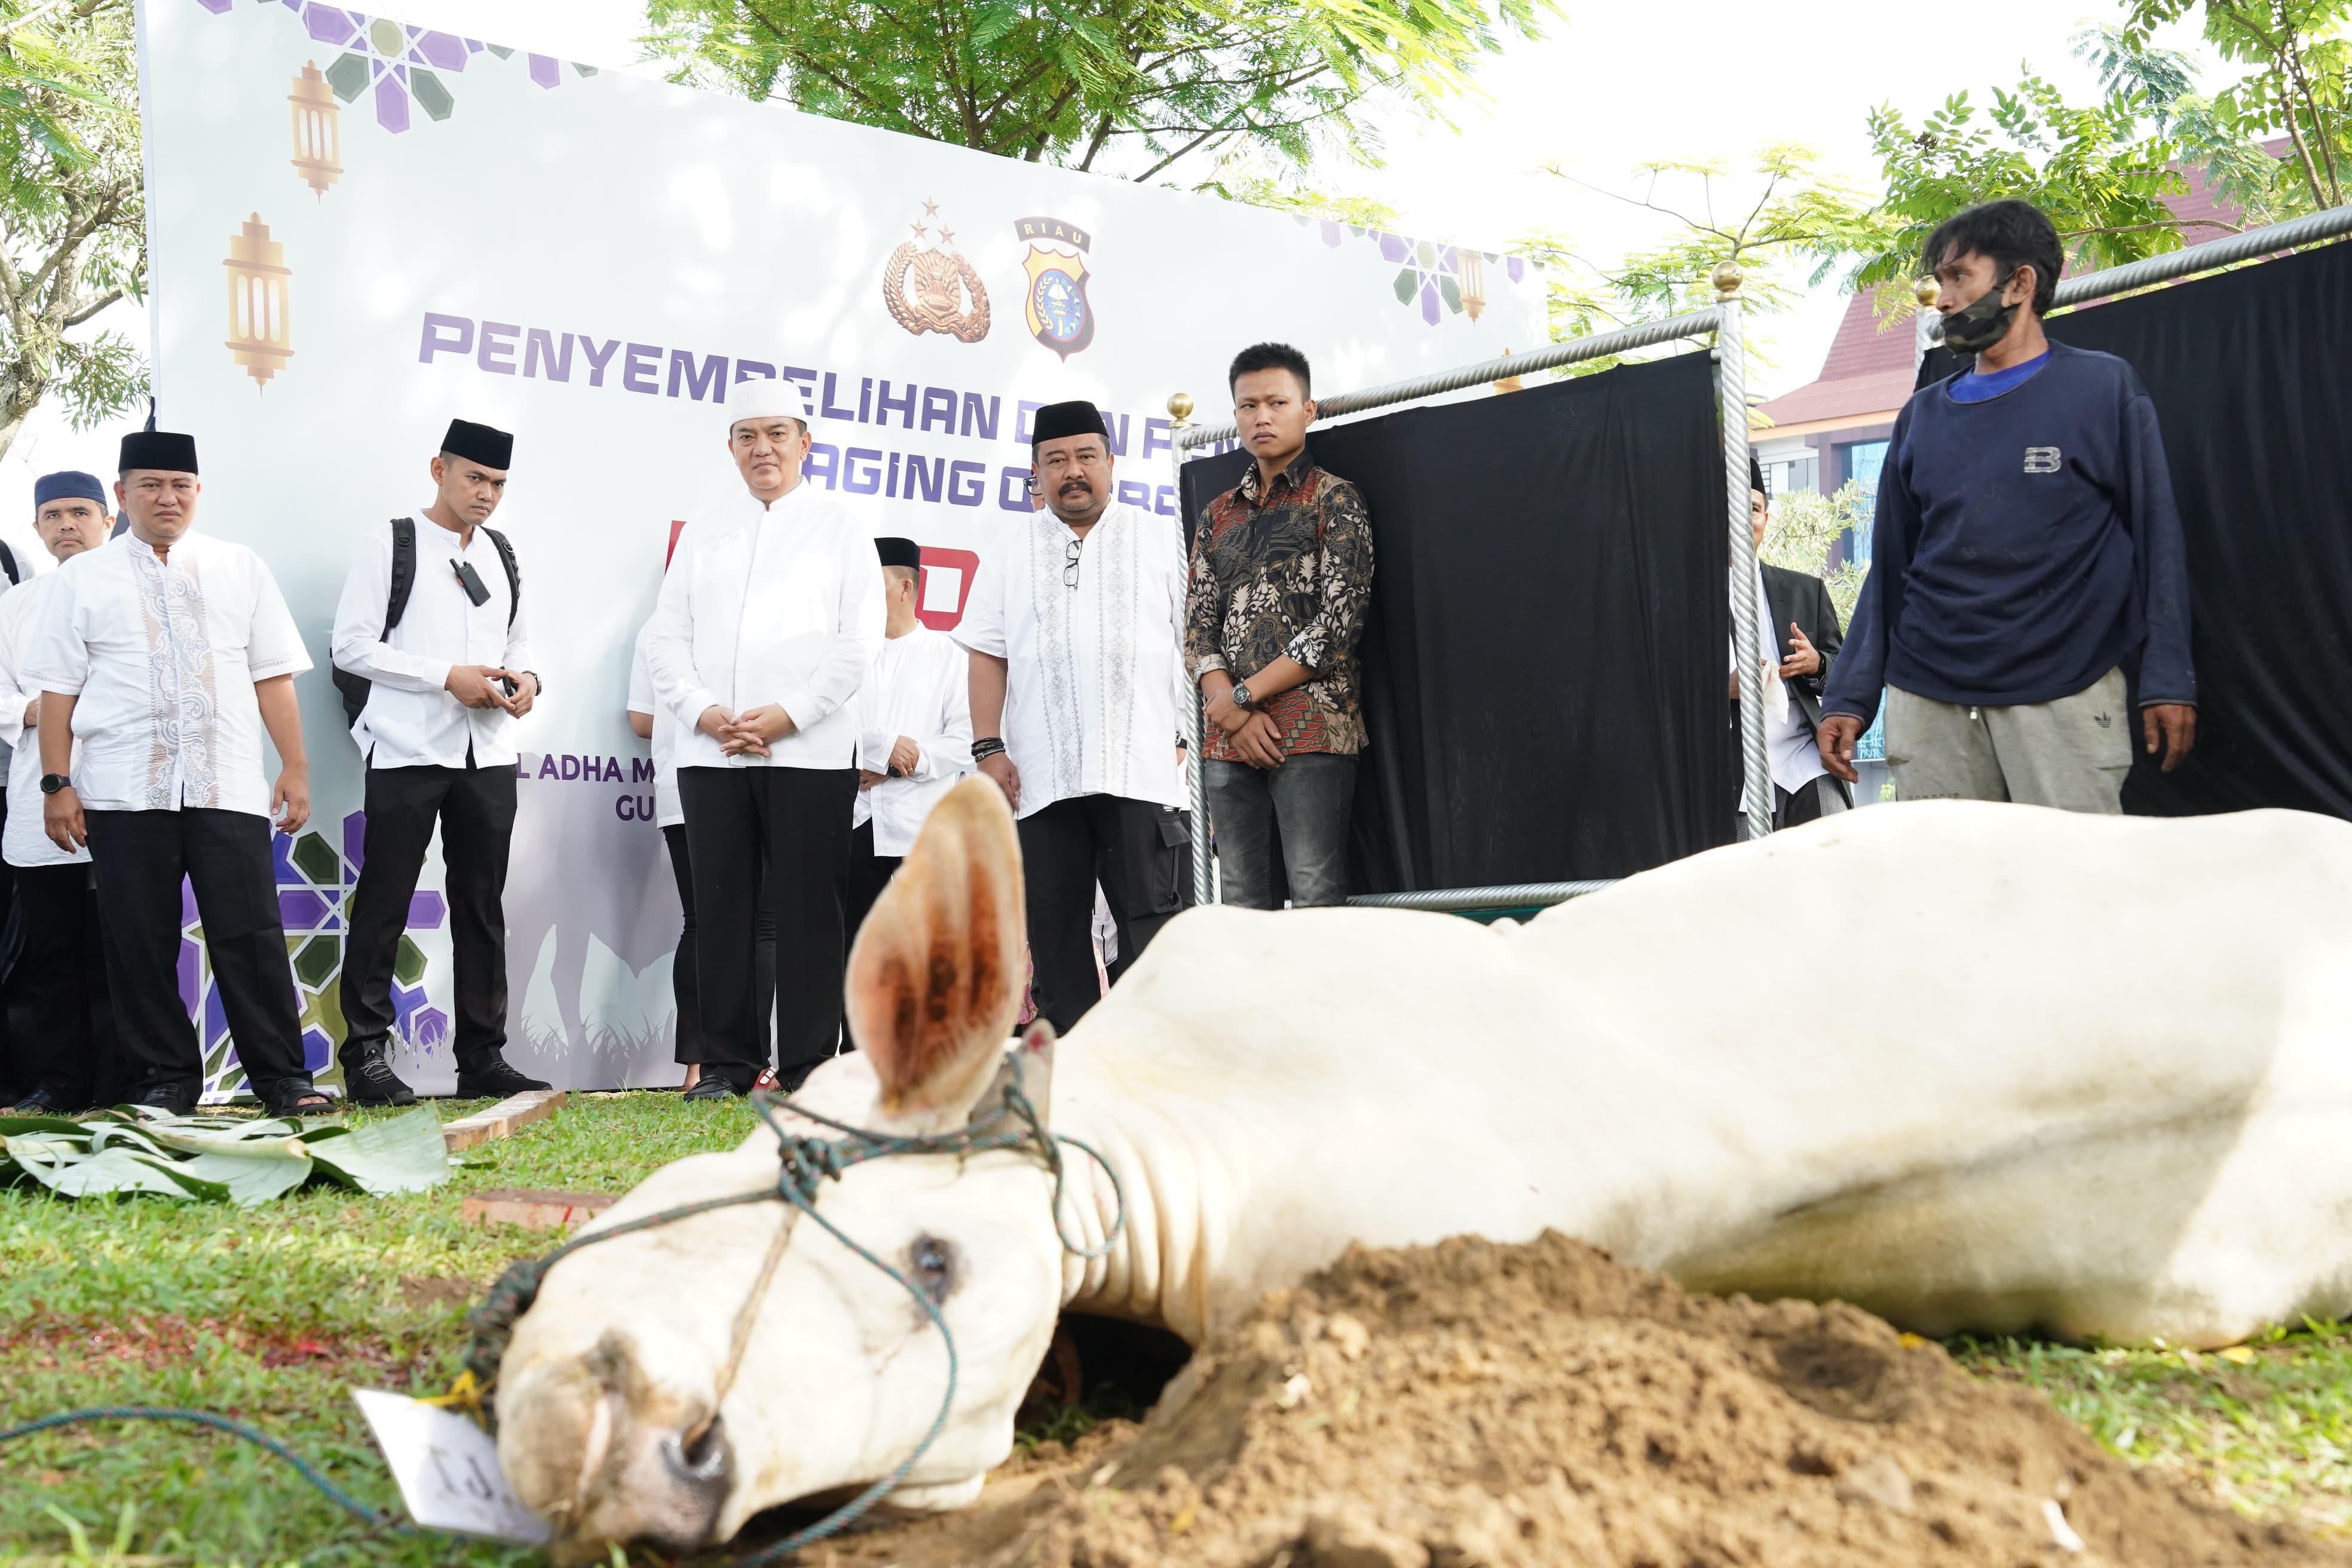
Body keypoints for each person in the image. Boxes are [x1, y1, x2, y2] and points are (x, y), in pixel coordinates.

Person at [1818, 200, 2197, 810]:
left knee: (2072, 890)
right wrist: (1850, 694)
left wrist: (2169, 676)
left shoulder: (2102, 389)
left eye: (1958, 277)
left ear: (2020, 282)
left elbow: (2160, 541)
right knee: (1946, 894)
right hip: (1929, 693)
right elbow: (1889, 565)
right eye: (1940, 281)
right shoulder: (1923, 413)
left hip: (2064, 689)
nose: (1942, 300)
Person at [27, 431, 332, 1118]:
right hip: (123, 788)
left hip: (226, 784)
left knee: (250, 935)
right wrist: (57, 782)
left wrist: (295, 766)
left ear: (198, 492)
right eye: (151, 485)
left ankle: (283, 1079)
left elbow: (272, 673)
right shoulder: (83, 578)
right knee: (139, 941)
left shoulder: (239, 565)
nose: (167, 497)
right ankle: (163, 1082)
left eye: (181, 485)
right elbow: (58, 692)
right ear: (122, 494)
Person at [644, 383, 883, 1100]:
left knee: (811, 911)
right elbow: (666, 637)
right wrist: (704, 711)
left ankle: (809, 1065)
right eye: (747, 435)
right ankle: (725, 1065)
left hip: (806, 751)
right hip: (713, 749)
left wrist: (791, 713)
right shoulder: (705, 530)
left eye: (777, 433)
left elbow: (858, 641)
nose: (762, 449)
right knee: (721, 910)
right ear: (731, 448)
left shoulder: (841, 526)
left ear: (805, 442)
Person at [329, 418, 548, 1103]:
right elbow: (351, 646)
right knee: (386, 900)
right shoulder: (390, 543)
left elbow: (521, 643)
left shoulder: (504, 552)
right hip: (406, 748)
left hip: (487, 753)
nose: (486, 493)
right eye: (475, 478)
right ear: (439, 469)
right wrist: (444, 675)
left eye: (498, 483)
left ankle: (483, 1057)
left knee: (481, 905)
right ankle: (365, 1056)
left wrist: (528, 681)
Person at [957, 399, 1192, 1034]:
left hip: (1140, 768)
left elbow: (1195, 643)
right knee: (1055, 930)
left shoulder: (1158, 538)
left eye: (1087, 456)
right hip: (1042, 775)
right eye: (1056, 460)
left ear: (1112, 462)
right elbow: (986, 654)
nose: (1073, 471)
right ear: (1035, 472)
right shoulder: (1008, 551)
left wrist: (1181, 731)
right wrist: (988, 748)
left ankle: (1153, 1059)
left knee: (1153, 927)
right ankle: (1067, 1069)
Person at [1187, 342, 1373, 908]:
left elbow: (1338, 626)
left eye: (1276, 402)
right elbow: (1199, 626)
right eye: (1248, 405)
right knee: (1241, 901)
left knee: (1316, 891)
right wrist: (1229, 708)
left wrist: (1242, 697)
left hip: (1314, 729)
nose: (1261, 417)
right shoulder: (1216, 514)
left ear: (1308, 410)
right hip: (1227, 740)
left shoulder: (1335, 499)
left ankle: (1322, 1003)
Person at [0, 473, 121, 1112]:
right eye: (52, 514)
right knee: (51, 949)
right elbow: (2, 694)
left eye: (80, 511)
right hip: (40, 797)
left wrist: (65, 707)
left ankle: (135, 1080)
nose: (66, 524)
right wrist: (47, 712)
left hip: (126, 790)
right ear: (38, 527)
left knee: (130, 947)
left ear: (108, 518)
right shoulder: (19, 603)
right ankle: (58, 1085)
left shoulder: (135, 588)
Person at [627, 616, 776, 1091]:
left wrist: (698, 722)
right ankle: (744, 1065)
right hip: (740, 775)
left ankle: (702, 1067)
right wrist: (731, 728)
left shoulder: (659, 628)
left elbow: (643, 717)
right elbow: (640, 719)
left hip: (709, 781)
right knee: (754, 924)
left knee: (707, 923)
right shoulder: (667, 630)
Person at [843, 537, 973, 940]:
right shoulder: (846, 656)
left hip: (921, 822)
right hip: (854, 818)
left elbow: (967, 737)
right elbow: (824, 724)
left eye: (874, 583)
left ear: (906, 587)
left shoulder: (948, 655)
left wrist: (909, 761)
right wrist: (880, 749)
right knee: (853, 952)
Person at [1734, 454, 1849, 829]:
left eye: (1753, 507)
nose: (1743, 516)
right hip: (1730, 768)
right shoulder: (1682, 601)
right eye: (1732, 506)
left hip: (1802, 757)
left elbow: (1847, 672)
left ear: (1765, 520)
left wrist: (1817, 664)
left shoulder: (1805, 590)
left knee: (1835, 850)